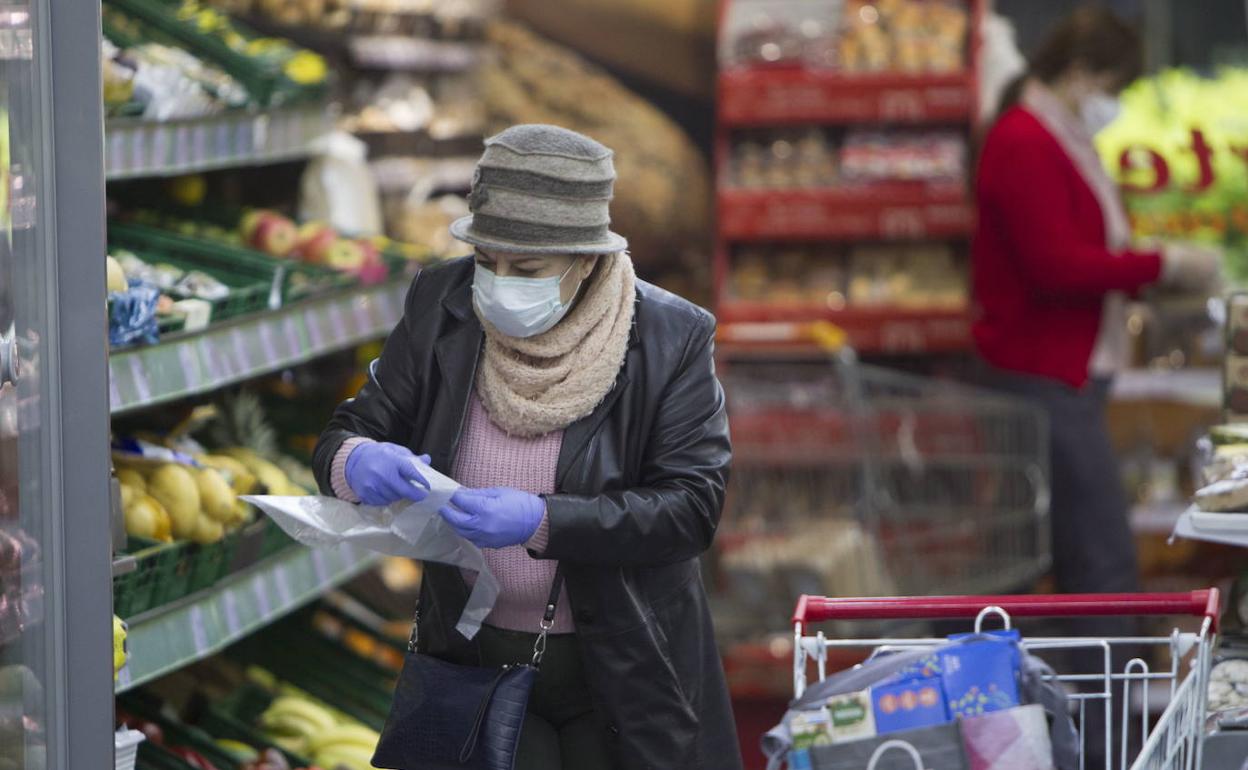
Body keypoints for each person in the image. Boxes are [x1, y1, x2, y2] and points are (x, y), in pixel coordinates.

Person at [313, 124, 742, 770]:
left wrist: (544, 521)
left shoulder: (669, 339)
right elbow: (348, 434)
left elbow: (690, 508)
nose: (497, 283)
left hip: (622, 676)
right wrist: (356, 461)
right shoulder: (442, 306)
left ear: (586, 261)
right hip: (472, 668)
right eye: (487, 261)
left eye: (527, 269)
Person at [973, 8, 1221, 763]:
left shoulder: (1056, 139)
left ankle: (1075, 737)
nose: (1113, 100)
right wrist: (1162, 267)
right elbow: (1056, 265)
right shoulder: (1023, 140)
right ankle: (1107, 745)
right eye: (1113, 84)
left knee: (1083, 564)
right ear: (1084, 72)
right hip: (1041, 378)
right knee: (1104, 566)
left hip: (1064, 374)